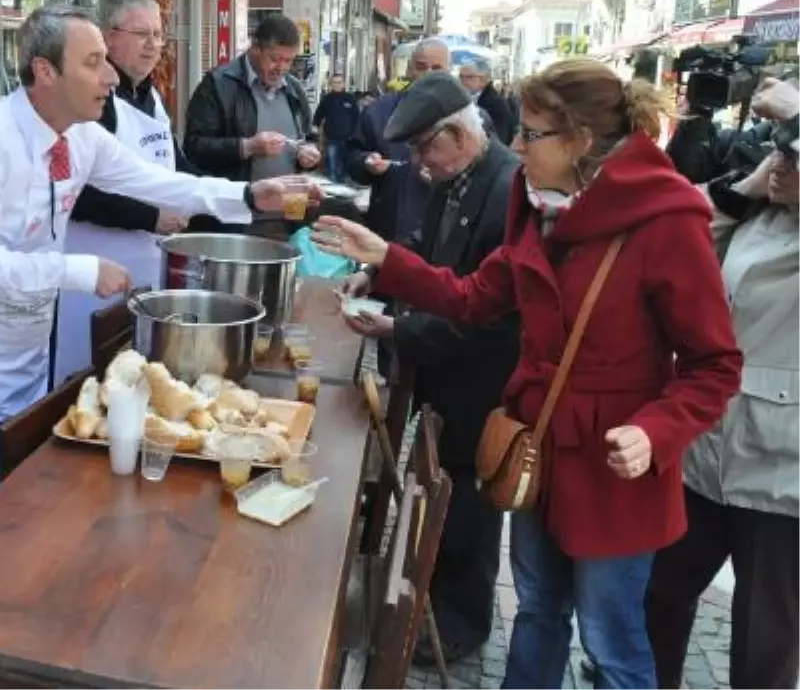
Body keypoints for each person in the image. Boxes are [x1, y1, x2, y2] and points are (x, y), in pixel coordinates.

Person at [313, 58, 743, 688]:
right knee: (539, 610)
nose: (516, 145)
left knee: (610, 642)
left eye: (532, 134)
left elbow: (715, 363)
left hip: (615, 466)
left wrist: (656, 431)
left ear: (581, 142)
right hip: (539, 444)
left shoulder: (666, 221)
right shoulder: (539, 203)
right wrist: (385, 258)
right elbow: (472, 296)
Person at [0, 4, 320, 526]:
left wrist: (252, 195)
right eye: (94, 62)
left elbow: (161, 182)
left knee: (28, 479)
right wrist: (81, 271)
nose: (111, 76)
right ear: (46, 72)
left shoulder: (82, 137)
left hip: (33, 335)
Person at [341, 73, 520, 666]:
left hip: (483, 374)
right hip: (446, 368)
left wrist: (399, 329)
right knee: (442, 488)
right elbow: (423, 245)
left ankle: (461, 625)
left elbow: (484, 313)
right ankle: (432, 600)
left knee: (467, 504)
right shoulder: (456, 174)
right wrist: (378, 274)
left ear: (459, 134)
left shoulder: (505, 187)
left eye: (424, 148)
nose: (418, 163)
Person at [645, 76, 800, 690]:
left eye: (793, 153)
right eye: (779, 149)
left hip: (782, 477)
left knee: (764, 644)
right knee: (659, 595)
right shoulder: (765, 216)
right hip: (706, 450)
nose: (781, 162)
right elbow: (686, 242)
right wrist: (747, 188)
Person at [53, 0, 195, 386]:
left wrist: (238, 197)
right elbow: (76, 195)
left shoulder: (151, 96)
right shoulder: (95, 103)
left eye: (159, 35)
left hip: (145, 272)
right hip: (92, 279)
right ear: (109, 38)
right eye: (141, 34)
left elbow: (176, 169)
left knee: (134, 380)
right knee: (87, 382)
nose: (153, 45)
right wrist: (151, 216)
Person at [183, 13, 320, 238]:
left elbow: (308, 136)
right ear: (255, 47)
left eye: (289, 60)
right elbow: (194, 148)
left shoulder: (294, 90)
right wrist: (247, 147)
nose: (282, 68)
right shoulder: (218, 84)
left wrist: (310, 153)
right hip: (237, 221)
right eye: (275, 58)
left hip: (289, 219)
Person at [346, 37, 451, 244]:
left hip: (443, 236)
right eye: (421, 66)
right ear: (411, 68)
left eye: (437, 68)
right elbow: (352, 158)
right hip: (388, 231)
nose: (428, 74)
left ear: (449, 71)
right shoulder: (379, 111)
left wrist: (447, 178)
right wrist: (367, 162)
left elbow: (482, 176)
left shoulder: (468, 118)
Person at [312, 73, 359, 183]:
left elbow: (356, 117)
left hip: (348, 138)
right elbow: (319, 114)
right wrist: (315, 126)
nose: (336, 85)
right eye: (334, 82)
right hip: (332, 137)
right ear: (330, 84)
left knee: (344, 162)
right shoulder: (327, 99)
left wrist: (356, 133)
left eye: (339, 82)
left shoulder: (350, 98)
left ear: (343, 84)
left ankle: (342, 183)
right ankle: (333, 184)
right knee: (332, 162)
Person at [459, 56, 515, 145]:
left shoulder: (496, 103)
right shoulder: (464, 98)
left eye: (469, 77)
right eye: (461, 77)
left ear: (483, 79)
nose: (463, 81)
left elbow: (500, 139)